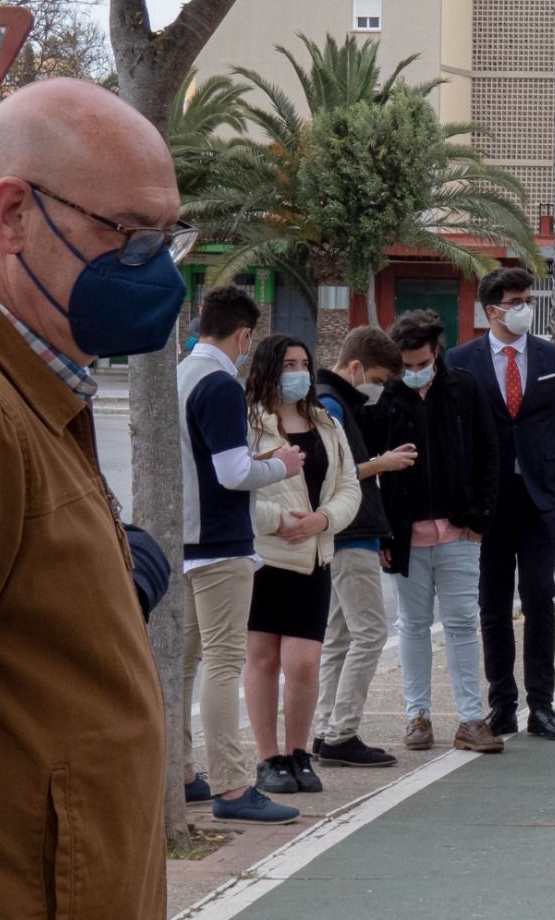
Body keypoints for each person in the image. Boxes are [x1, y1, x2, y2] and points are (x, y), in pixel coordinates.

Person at [0, 80, 186, 914]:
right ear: (13, 214)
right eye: (129, 236)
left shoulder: (13, 384)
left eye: (168, 237)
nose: (156, 269)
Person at [445, 267, 555, 742]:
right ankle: (502, 706)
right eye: (515, 301)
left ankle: (544, 706)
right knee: (492, 605)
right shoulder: (460, 358)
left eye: (526, 299)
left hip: (542, 498)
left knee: (539, 598)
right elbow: (451, 435)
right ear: (491, 310)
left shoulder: (553, 355)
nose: (524, 308)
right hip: (487, 503)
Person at [179, 285, 305, 824]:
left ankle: (180, 771)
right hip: (220, 543)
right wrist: (283, 465)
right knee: (223, 662)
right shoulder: (222, 386)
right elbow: (232, 474)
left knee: (180, 666)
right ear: (244, 335)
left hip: (180, 540)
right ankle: (232, 786)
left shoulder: (179, 374)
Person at [373, 310, 505, 755]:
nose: (413, 372)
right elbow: (369, 466)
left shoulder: (464, 387)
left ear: (436, 353)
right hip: (404, 535)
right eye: (405, 365)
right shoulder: (388, 395)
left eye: (420, 363)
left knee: (464, 623)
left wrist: (479, 519)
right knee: (411, 625)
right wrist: (384, 535)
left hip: (460, 533)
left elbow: (490, 453)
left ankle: (471, 719)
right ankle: (417, 716)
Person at [245, 335, 361, 795]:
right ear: (269, 368)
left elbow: (350, 487)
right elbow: (235, 489)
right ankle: (267, 758)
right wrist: (278, 522)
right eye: (289, 363)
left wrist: (322, 519)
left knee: (304, 662)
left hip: (313, 556)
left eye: (305, 364)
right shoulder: (249, 422)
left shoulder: (327, 423)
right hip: (264, 558)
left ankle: (298, 754)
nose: (299, 372)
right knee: (262, 658)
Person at [312, 326, 410, 768]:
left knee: (340, 635)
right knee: (370, 632)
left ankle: (325, 726)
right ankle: (341, 731)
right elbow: (340, 471)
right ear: (355, 367)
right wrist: (384, 463)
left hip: (341, 533)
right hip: (351, 532)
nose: (381, 389)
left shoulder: (328, 399)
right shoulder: (331, 403)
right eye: (379, 378)